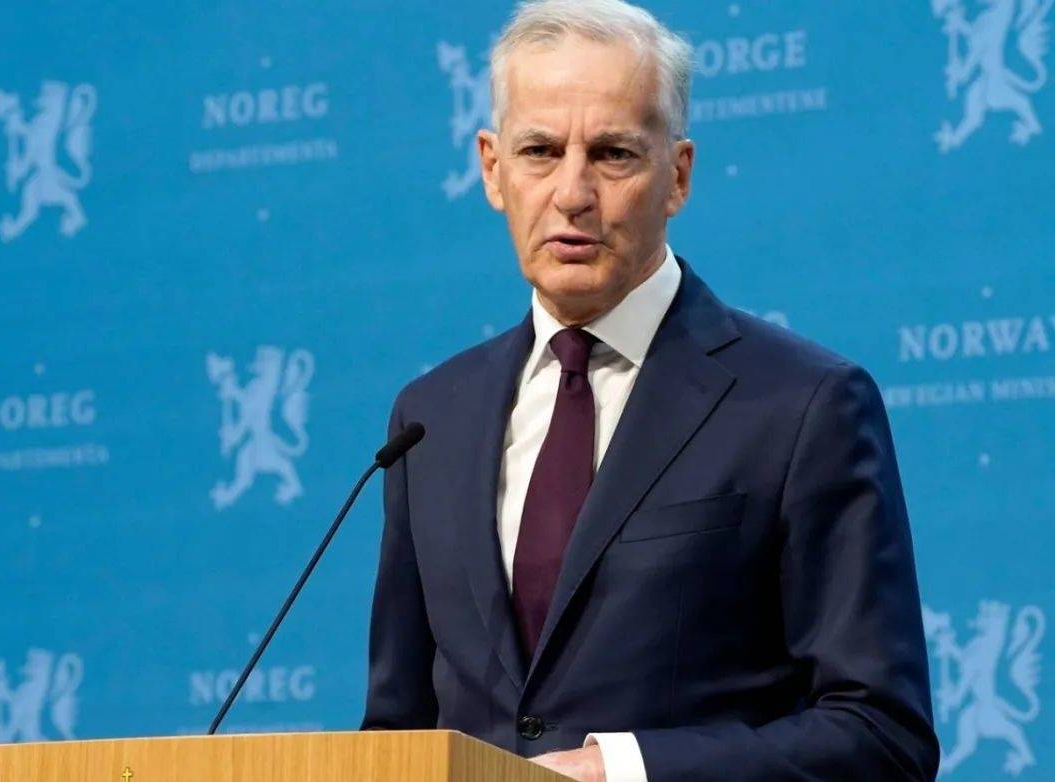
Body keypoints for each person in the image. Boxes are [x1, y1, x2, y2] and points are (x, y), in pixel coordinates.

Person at [362, 1, 939, 780]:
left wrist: (623, 769)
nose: (572, 193)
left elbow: (880, 736)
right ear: (493, 169)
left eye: (612, 155)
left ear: (678, 175)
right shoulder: (431, 418)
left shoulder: (803, 407)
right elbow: (395, 734)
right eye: (540, 151)